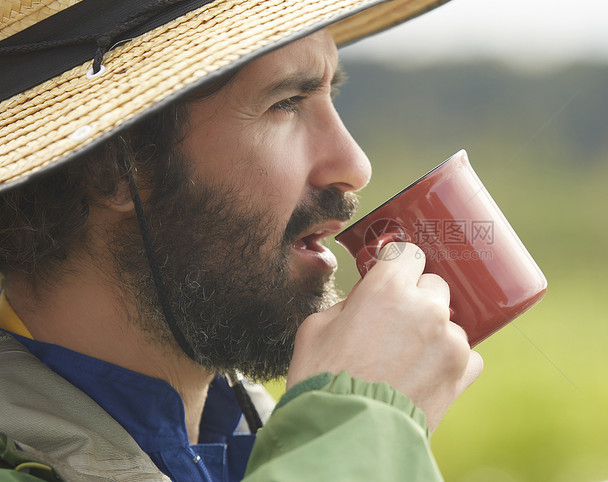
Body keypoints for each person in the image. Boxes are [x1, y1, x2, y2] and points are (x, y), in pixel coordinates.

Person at [0, 0, 483, 480]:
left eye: (329, 97)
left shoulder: (252, 436)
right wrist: (359, 421)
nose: (355, 166)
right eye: (286, 103)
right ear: (112, 168)